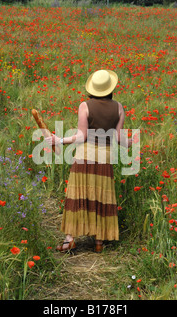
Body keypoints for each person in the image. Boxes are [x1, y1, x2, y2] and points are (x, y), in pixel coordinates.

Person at [45, 69, 133, 253]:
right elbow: (118, 138)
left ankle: (70, 240)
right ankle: (99, 241)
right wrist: (129, 143)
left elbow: (81, 136)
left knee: (78, 195)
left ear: (92, 88)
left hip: (85, 156)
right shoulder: (119, 107)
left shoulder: (85, 106)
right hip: (105, 158)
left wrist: (58, 140)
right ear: (110, 88)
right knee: (101, 195)